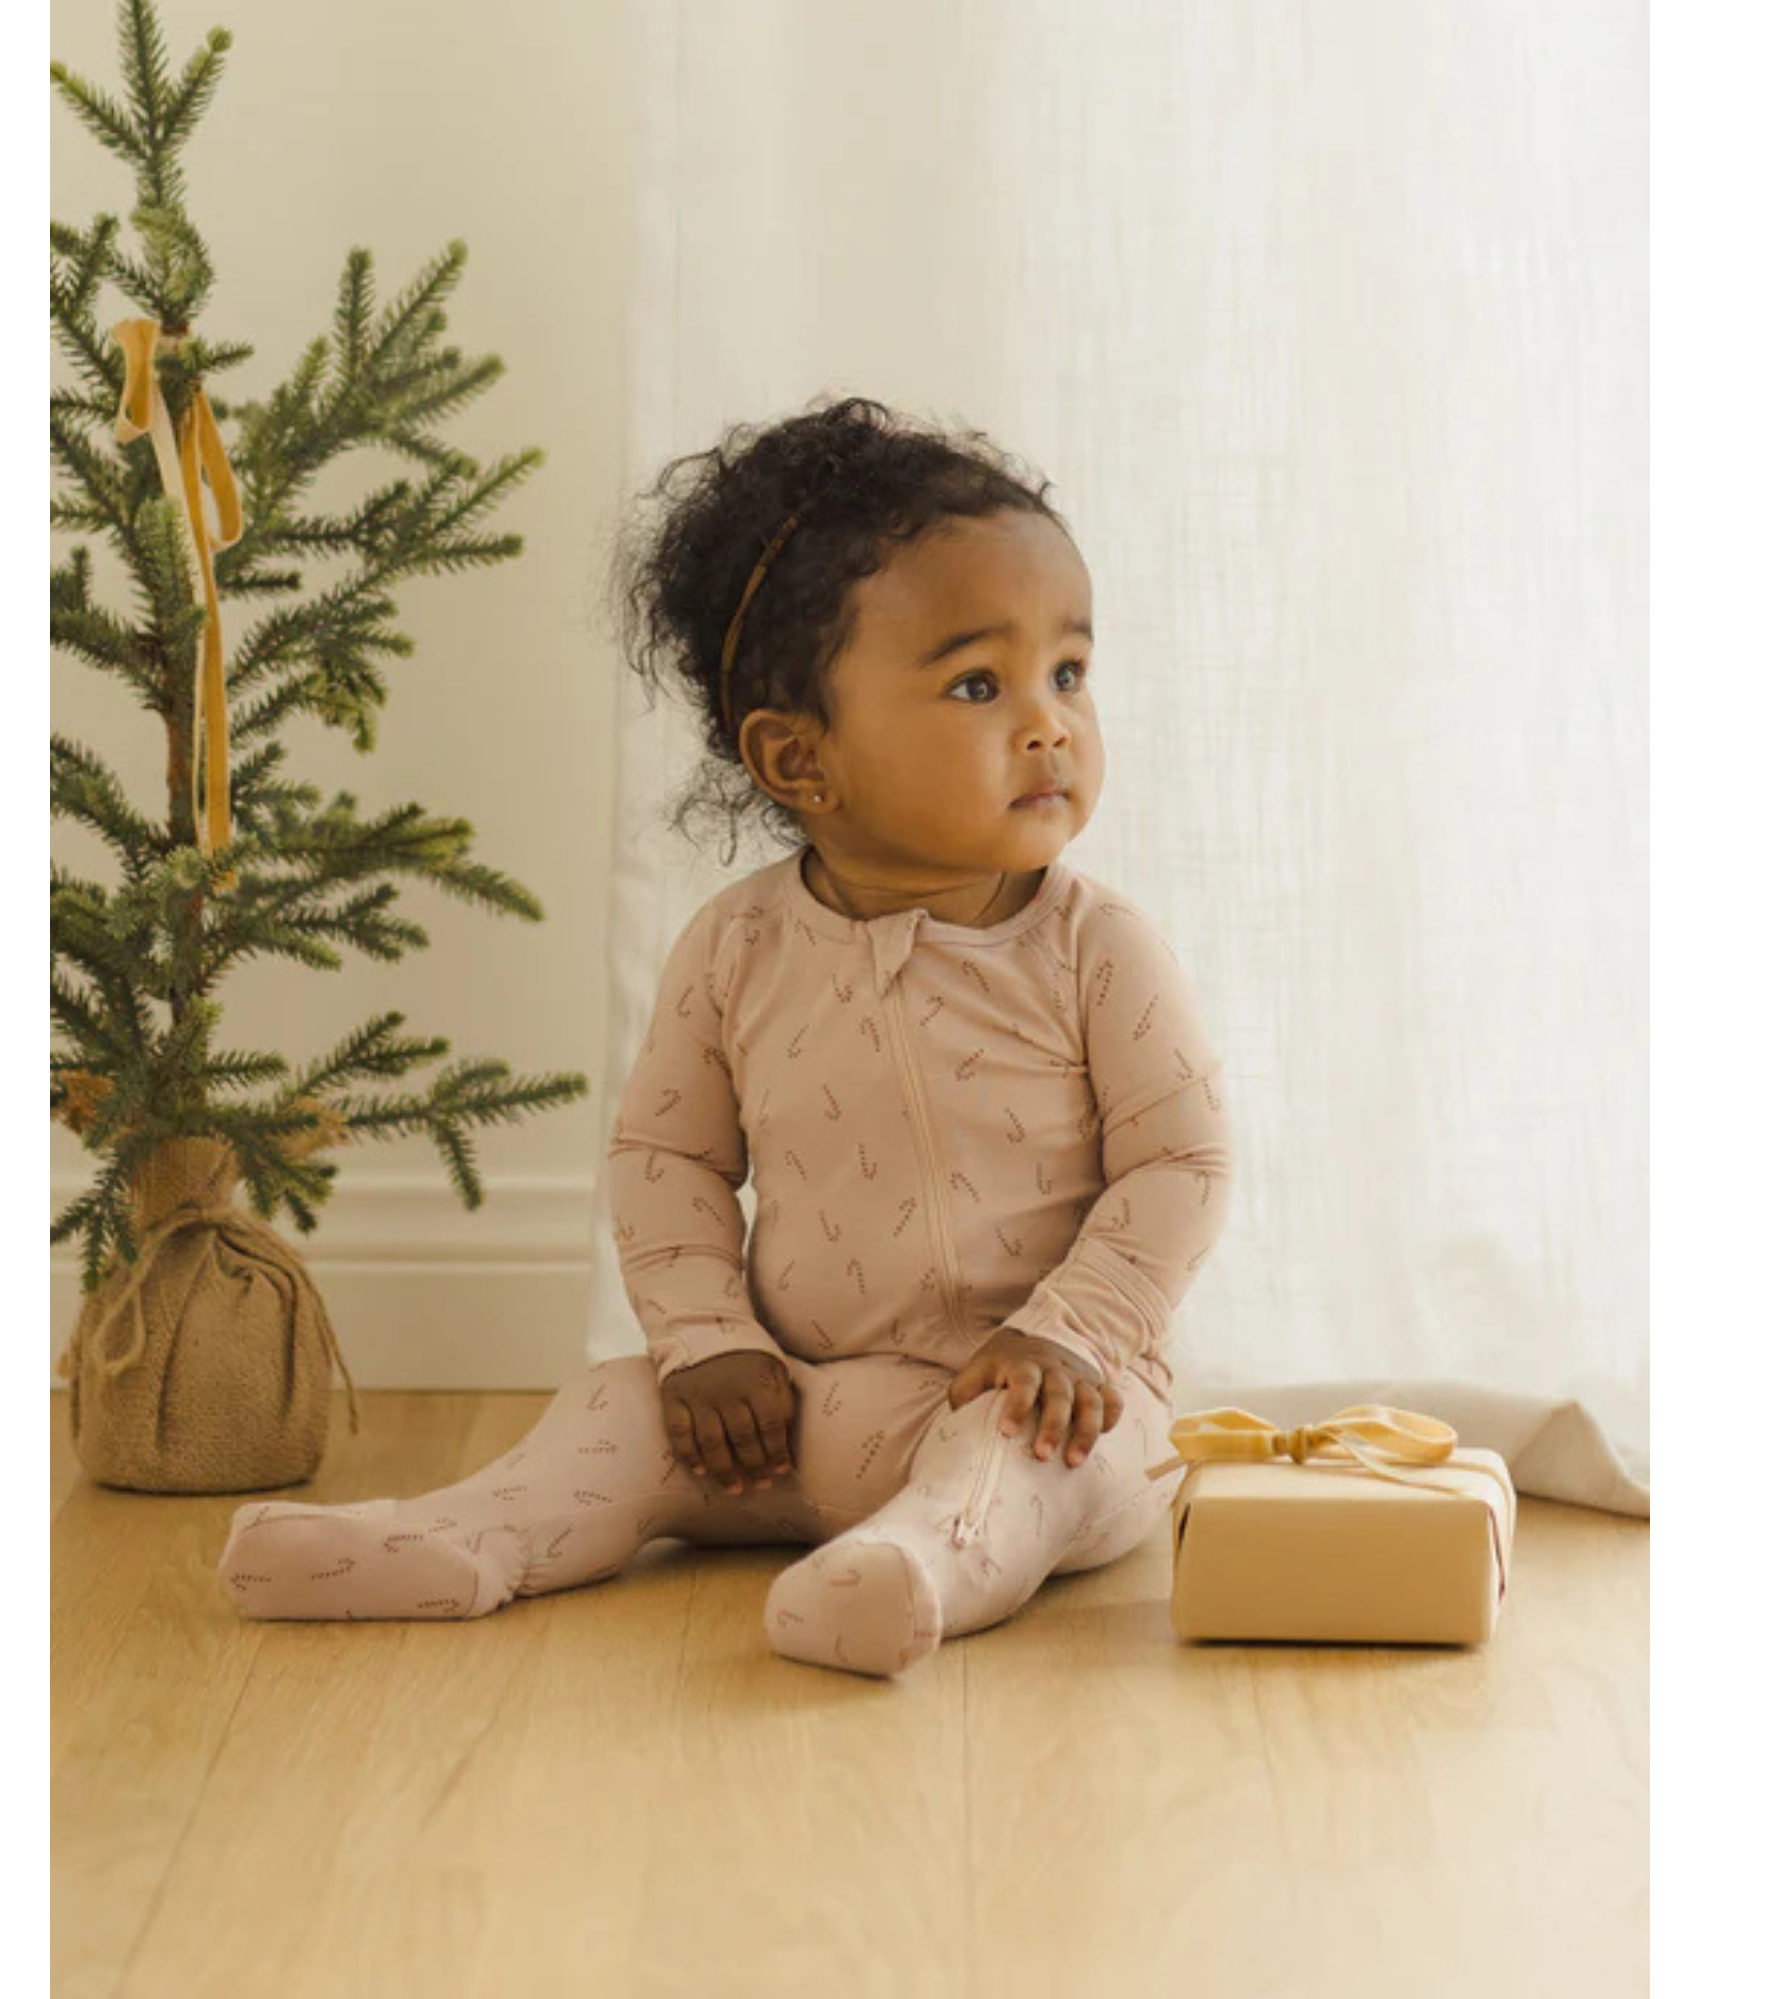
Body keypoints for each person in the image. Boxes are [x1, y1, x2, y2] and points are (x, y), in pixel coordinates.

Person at [217, 395, 1234, 1676]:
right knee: (613, 1405)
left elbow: (1179, 1162)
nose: (1048, 722)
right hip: (791, 1412)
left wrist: (1073, 1333)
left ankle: (913, 1567)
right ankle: (456, 1538)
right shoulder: (735, 947)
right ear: (797, 761)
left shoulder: (1094, 946)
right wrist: (708, 1344)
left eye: (1068, 673)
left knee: (1006, 1466)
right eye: (980, 683)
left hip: (1053, 1406)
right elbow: (665, 1160)